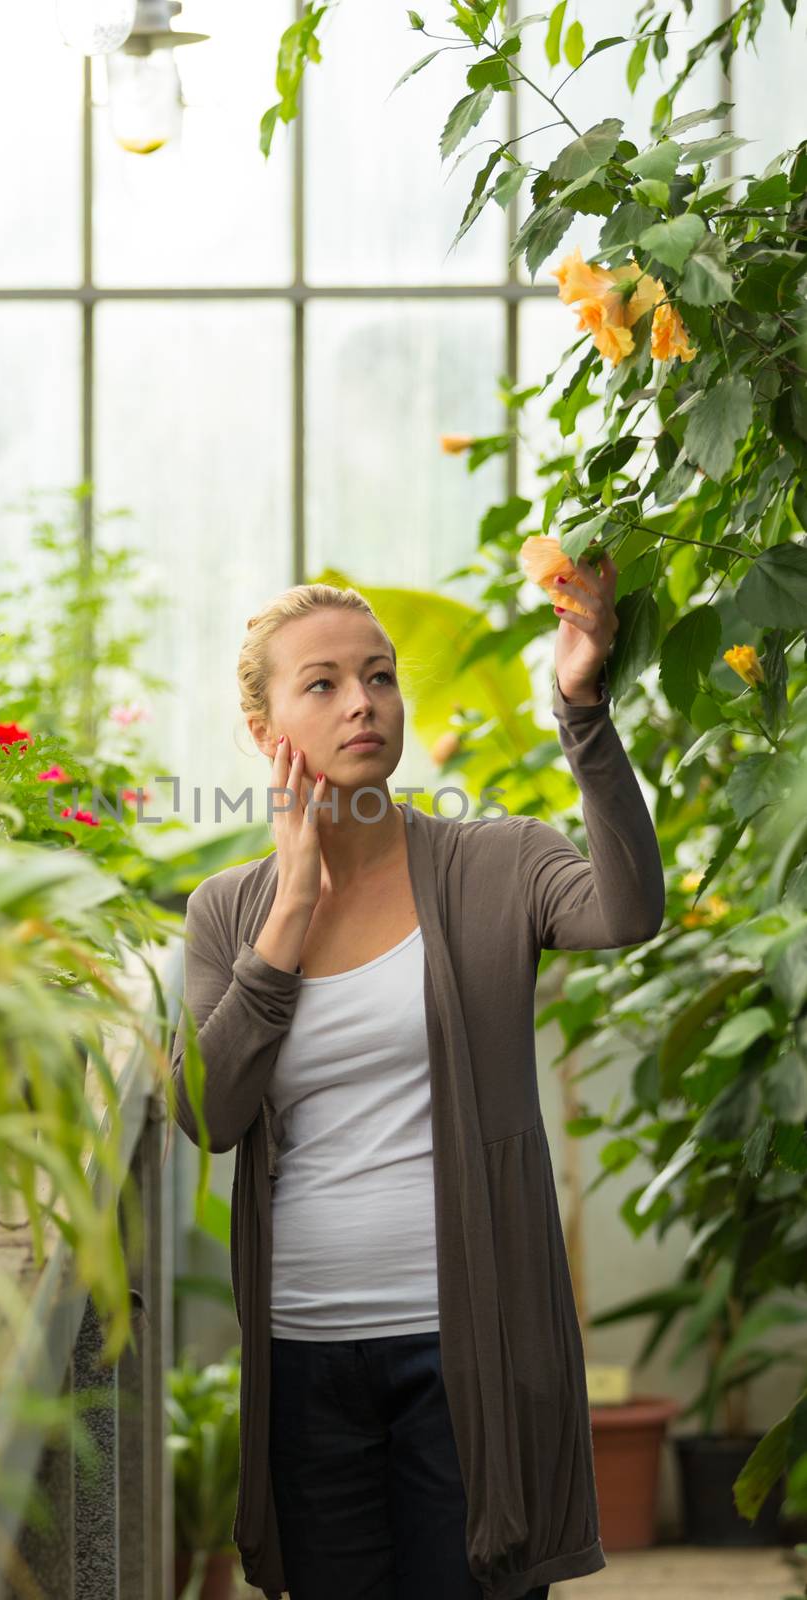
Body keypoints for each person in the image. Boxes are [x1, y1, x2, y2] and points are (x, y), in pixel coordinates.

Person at [169, 564, 665, 1600]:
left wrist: (580, 710)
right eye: (322, 684)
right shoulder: (227, 909)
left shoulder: (498, 862)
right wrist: (291, 906)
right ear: (264, 732)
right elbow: (206, 1115)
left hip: (467, 1351)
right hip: (304, 1356)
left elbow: (625, 913)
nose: (361, 701)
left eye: (378, 676)